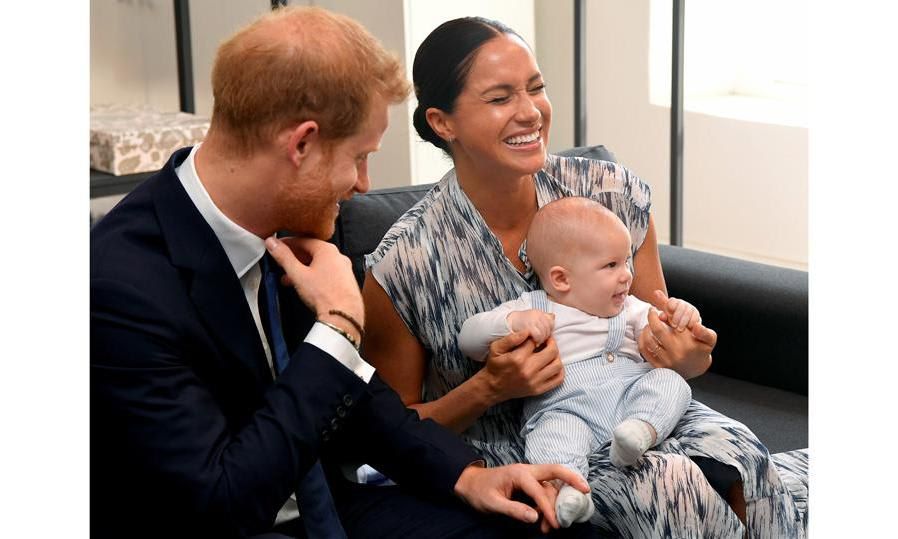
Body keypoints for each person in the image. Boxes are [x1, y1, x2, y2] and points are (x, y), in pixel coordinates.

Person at [90, 7, 595, 539]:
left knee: (547, 525)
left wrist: (468, 476)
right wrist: (336, 330)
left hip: (329, 504)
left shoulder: (294, 219)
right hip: (230, 517)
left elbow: (360, 394)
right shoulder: (120, 289)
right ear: (301, 144)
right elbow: (222, 499)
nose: (362, 184)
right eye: (359, 157)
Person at [361, 16, 809, 538]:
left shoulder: (609, 193)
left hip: (644, 410)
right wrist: (488, 388)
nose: (531, 111)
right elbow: (390, 434)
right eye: (501, 97)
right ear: (443, 122)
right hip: (532, 448)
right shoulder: (405, 261)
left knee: (744, 453)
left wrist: (687, 354)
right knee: (669, 486)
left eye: (536, 87)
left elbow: (661, 333)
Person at [459, 198, 700, 527]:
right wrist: (514, 322)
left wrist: (683, 315)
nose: (627, 276)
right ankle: (570, 490)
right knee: (551, 436)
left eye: (627, 262)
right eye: (611, 266)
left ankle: (640, 431)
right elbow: (468, 339)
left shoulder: (629, 309)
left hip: (630, 398)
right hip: (566, 409)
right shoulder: (534, 307)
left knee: (672, 383)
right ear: (561, 280)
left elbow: (665, 330)